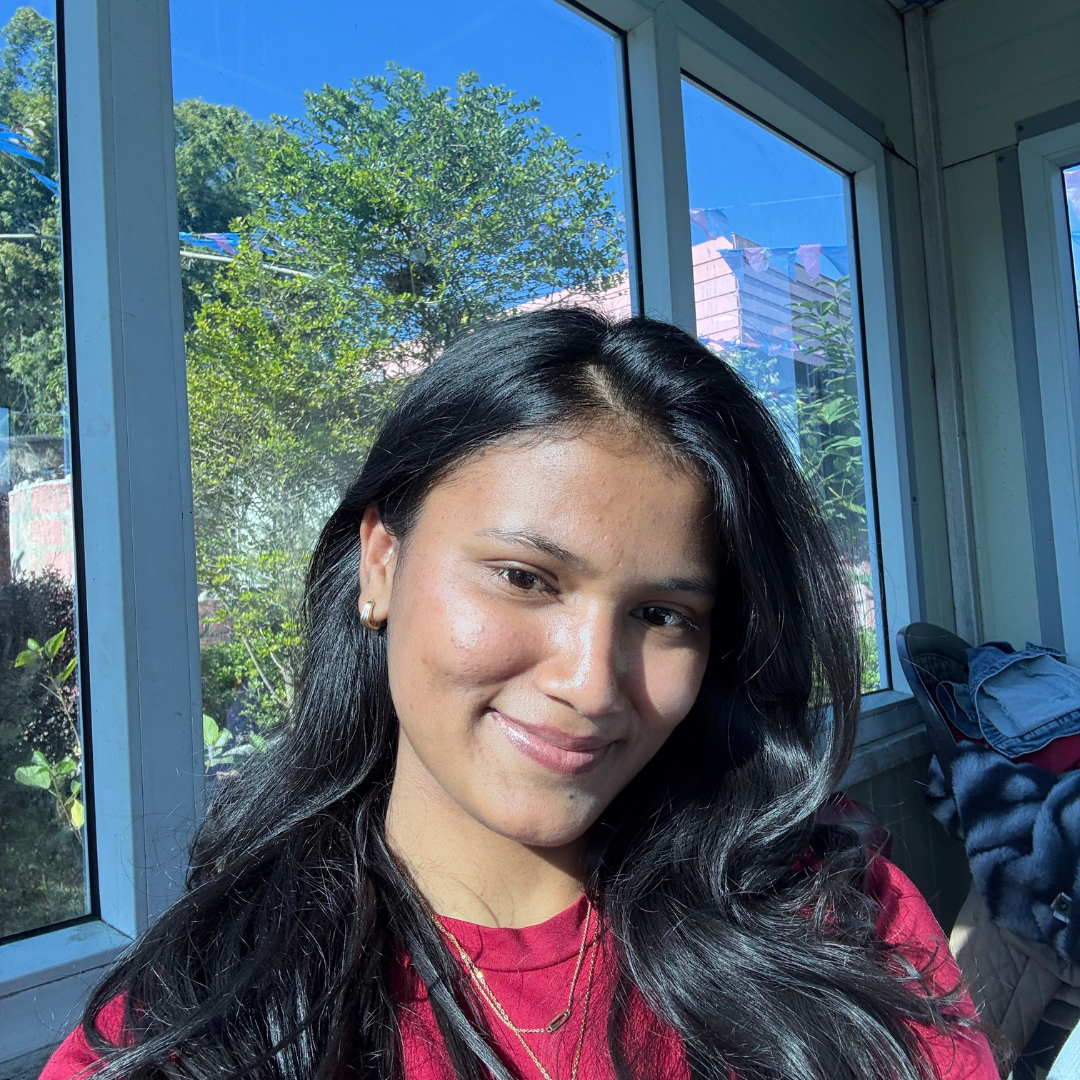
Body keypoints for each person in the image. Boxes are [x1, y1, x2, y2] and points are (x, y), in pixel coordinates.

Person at [43, 310, 997, 1080]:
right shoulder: (205, 1020)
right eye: (524, 578)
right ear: (381, 560)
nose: (591, 684)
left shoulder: (831, 916)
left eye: (663, 615)